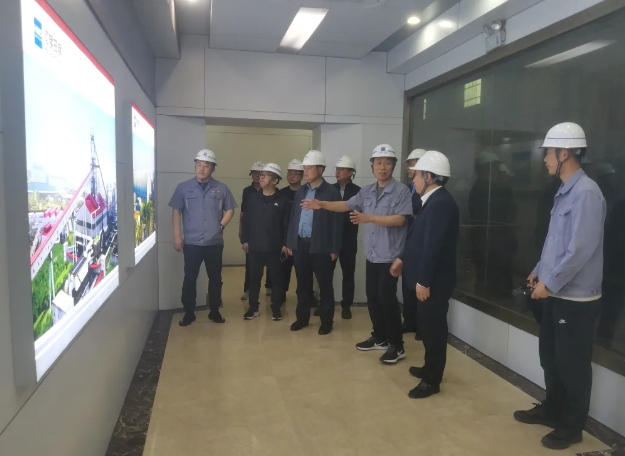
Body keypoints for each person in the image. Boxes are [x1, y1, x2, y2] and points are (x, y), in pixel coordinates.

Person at [514, 123, 606, 451]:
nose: (544, 160)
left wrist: (550, 283)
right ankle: (553, 410)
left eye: (548, 153)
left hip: (575, 299)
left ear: (564, 153)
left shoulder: (586, 193)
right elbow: (555, 243)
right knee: (550, 358)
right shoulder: (565, 190)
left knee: (572, 365)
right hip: (556, 292)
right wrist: (539, 272)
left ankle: (572, 426)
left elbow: (580, 248)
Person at [302, 144, 413, 363]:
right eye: (378, 163)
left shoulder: (401, 191)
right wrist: (321, 204)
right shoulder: (367, 191)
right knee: (373, 298)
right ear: (372, 166)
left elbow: (400, 219)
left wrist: (369, 218)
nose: (382, 167)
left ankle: (397, 345)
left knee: (387, 300)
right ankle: (379, 337)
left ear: (393, 166)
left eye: (387, 163)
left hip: (389, 256)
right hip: (372, 254)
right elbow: (346, 205)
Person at [391, 150, 459, 398]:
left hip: (434, 282)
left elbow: (433, 246)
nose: (414, 179)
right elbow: (418, 239)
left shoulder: (440, 204)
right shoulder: (431, 201)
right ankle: (429, 367)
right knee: (428, 328)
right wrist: (403, 259)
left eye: (417, 175)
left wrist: (423, 281)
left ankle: (432, 380)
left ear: (429, 177)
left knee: (434, 330)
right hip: (426, 278)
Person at [169, 149, 237, 326]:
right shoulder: (183, 188)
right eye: (198, 165)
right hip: (192, 243)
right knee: (189, 279)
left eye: (206, 166)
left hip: (214, 243)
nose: (201, 168)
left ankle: (214, 311)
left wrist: (221, 225)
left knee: (215, 279)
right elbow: (176, 212)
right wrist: (177, 236)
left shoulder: (221, 188)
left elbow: (230, 209)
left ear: (212, 168)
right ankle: (189, 312)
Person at [285, 150, 342, 335]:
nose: (306, 171)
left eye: (310, 168)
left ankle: (326, 321)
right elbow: (294, 217)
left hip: (322, 245)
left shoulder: (331, 192)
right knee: (302, 285)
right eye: (305, 168)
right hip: (300, 244)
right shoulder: (301, 190)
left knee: (324, 286)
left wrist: (335, 248)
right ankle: (302, 318)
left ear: (320, 169)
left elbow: (337, 222)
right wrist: (291, 242)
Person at [240, 163, 291, 321]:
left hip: (275, 247)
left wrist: (286, 244)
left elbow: (287, 224)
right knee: (254, 279)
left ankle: (276, 309)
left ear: (275, 180)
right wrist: (245, 239)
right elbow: (246, 221)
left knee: (276, 279)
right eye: (261, 175)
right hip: (255, 246)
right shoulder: (252, 198)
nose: (261, 178)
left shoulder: (283, 201)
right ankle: (253, 308)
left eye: (266, 175)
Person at [331, 155, 360, 320]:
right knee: (326, 274)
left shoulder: (358, 191)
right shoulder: (329, 189)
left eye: (342, 169)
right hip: (331, 238)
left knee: (348, 274)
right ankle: (325, 304)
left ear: (351, 172)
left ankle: (346, 306)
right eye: (337, 169)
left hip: (349, 239)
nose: (338, 172)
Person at [402, 148, 426, 338]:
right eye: (409, 165)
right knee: (407, 284)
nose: (410, 168)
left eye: (413, 164)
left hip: (421, 242)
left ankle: (421, 326)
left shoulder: (428, 191)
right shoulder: (407, 188)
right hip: (407, 240)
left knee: (420, 283)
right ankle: (409, 321)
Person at [279, 159, 304, 304]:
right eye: (290, 173)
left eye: (295, 173)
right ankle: (280, 296)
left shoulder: (306, 192)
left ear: (302, 176)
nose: (292, 176)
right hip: (285, 237)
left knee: (303, 271)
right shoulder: (281, 193)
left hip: (301, 238)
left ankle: (305, 297)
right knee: (283, 270)